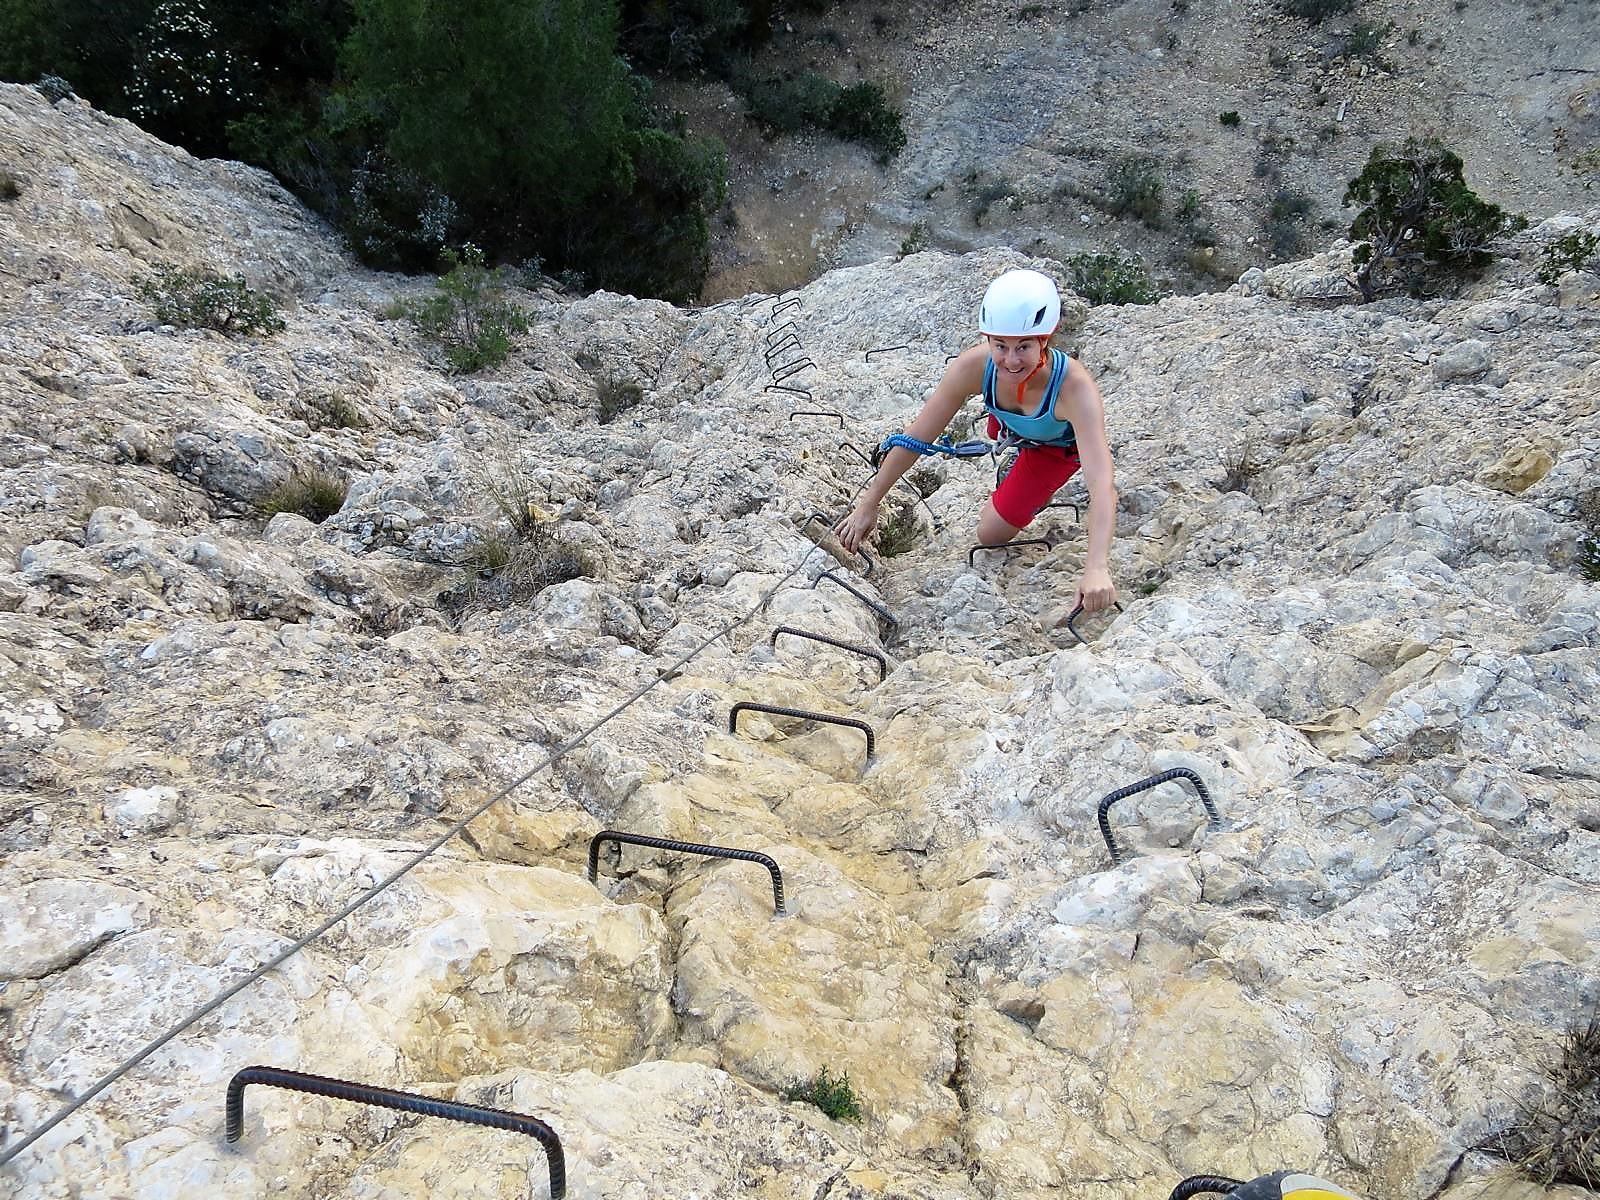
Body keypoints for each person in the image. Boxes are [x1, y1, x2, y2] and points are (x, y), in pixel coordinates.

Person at [832, 267, 1118, 615]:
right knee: (1000, 413)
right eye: (1000, 346)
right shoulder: (975, 367)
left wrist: (1096, 567)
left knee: (991, 535)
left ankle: (1018, 455)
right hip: (1016, 423)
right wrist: (869, 504)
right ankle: (1008, 433)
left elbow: (1101, 484)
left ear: (1046, 339)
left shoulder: (1074, 389)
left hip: (1055, 450)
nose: (1011, 360)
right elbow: (917, 437)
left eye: (1023, 347)